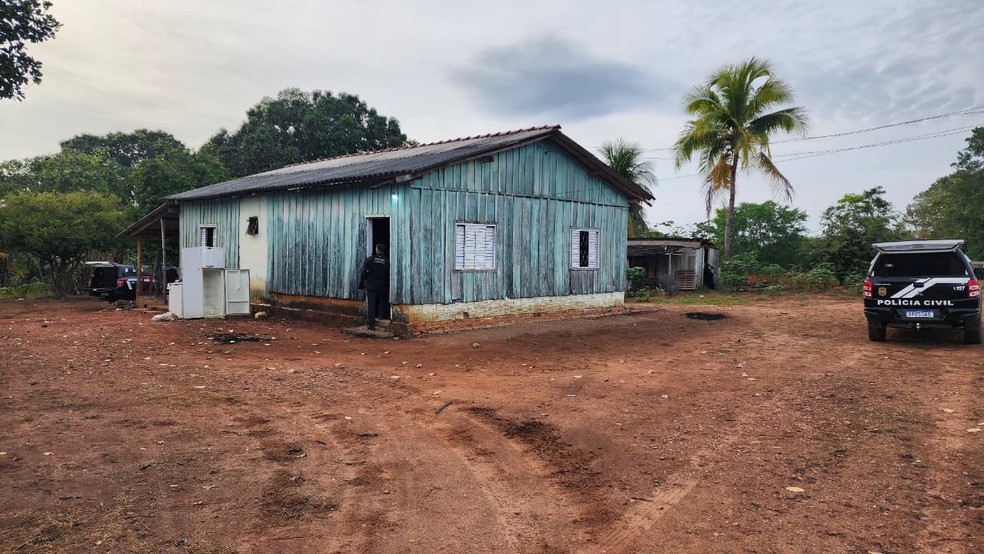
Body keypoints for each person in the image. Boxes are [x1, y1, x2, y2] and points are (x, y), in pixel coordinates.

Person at [358, 243, 389, 331]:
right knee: (382, 301)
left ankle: (371, 325)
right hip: (383, 284)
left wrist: (361, 284)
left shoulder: (370, 259)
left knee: (371, 304)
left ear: (377, 249)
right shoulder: (387, 260)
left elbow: (364, 272)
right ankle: (381, 317)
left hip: (371, 284)